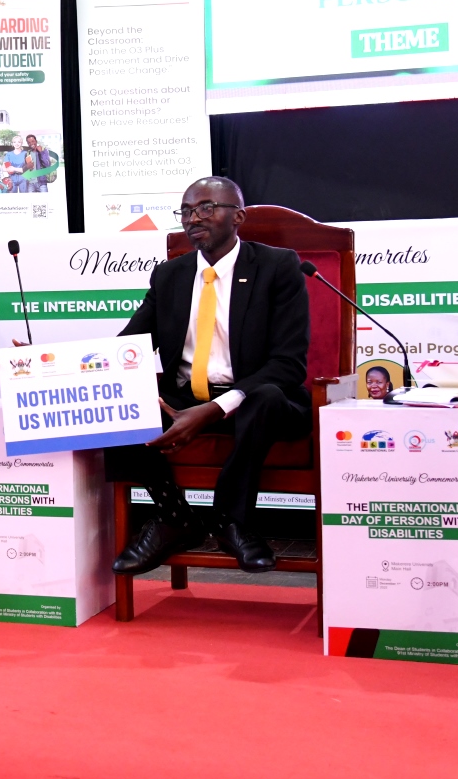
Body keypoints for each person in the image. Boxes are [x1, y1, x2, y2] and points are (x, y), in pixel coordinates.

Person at [107, 176, 311, 575]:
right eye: (186, 211)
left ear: (238, 216)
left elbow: (289, 364)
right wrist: (50, 363)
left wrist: (215, 409)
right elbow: (125, 349)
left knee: (264, 396)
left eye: (205, 208)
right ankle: (174, 518)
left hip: (259, 400)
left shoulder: (277, 267)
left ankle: (231, 521)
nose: (193, 218)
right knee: (121, 403)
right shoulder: (169, 276)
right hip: (186, 395)